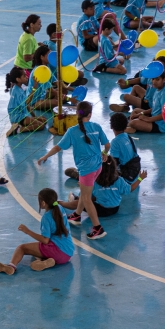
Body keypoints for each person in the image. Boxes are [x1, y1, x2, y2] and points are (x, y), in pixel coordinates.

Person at [37, 101, 109, 240]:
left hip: (87, 170)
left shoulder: (72, 131)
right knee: (84, 192)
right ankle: (77, 215)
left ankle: (97, 228)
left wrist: (46, 156)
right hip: (98, 167)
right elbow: (107, 145)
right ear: (90, 114)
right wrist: (105, 153)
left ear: (76, 113)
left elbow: (58, 147)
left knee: (86, 198)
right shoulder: (97, 126)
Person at [0, 188, 74, 274]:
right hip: (68, 253)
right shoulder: (60, 208)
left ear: (43, 203)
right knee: (35, 250)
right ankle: (47, 261)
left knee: (22, 248)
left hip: (56, 251)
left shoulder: (46, 217)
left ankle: (11, 266)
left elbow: (45, 240)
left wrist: (27, 231)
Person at [5, 67, 48, 135]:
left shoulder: (19, 88)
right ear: (18, 79)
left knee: (44, 120)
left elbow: (27, 105)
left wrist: (34, 117)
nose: (27, 77)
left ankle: (19, 125)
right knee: (41, 125)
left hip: (21, 115)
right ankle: (18, 129)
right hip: (17, 117)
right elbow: (27, 102)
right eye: (24, 76)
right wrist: (34, 88)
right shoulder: (17, 92)